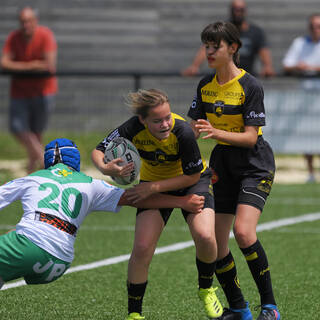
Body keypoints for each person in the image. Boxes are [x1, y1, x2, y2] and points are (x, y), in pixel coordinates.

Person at [0, 138, 205, 290]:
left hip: (31, 243)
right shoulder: (91, 184)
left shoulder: (33, 178)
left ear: (47, 162)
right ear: (75, 162)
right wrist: (181, 202)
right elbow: (136, 198)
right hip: (59, 262)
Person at [92, 88, 223, 320]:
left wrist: (153, 189)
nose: (165, 124)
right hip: (154, 181)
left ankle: (206, 289)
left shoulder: (182, 131)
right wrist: (105, 167)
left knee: (205, 236)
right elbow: (98, 150)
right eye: (157, 120)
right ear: (142, 120)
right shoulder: (132, 127)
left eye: (167, 117)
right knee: (142, 247)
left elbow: (192, 177)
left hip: (192, 181)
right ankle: (134, 314)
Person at [187, 22, 280, 320]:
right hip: (222, 163)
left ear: (233, 48)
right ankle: (240, 308)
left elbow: (251, 137)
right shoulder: (204, 85)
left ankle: (270, 307)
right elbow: (192, 129)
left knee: (243, 231)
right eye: (207, 46)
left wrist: (215, 132)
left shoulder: (250, 85)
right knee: (215, 241)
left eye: (216, 46)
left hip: (255, 162)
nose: (210, 52)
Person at [0, 7, 58, 174]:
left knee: (37, 132)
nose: (25, 25)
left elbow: (48, 65)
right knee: (17, 128)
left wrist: (19, 67)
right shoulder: (14, 37)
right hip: (19, 92)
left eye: (28, 21)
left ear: (35, 21)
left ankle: (32, 170)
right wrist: (32, 65)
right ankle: (45, 161)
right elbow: (4, 63)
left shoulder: (45, 35)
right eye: (23, 21)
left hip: (43, 91)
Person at [182, 0, 274, 77]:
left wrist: (267, 66)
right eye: (235, 9)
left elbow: (263, 50)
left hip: (245, 76)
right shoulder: (222, 30)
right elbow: (207, 47)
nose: (237, 12)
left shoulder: (255, 32)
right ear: (230, 10)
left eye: (240, 10)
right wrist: (195, 66)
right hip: (222, 76)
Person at [282, 13, 320, 184]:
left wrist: (313, 68)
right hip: (306, 95)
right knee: (308, 136)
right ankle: (311, 172)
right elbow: (287, 64)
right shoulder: (300, 43)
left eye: (318, 26)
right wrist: (300, 66)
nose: (315, 30)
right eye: (313, 26)